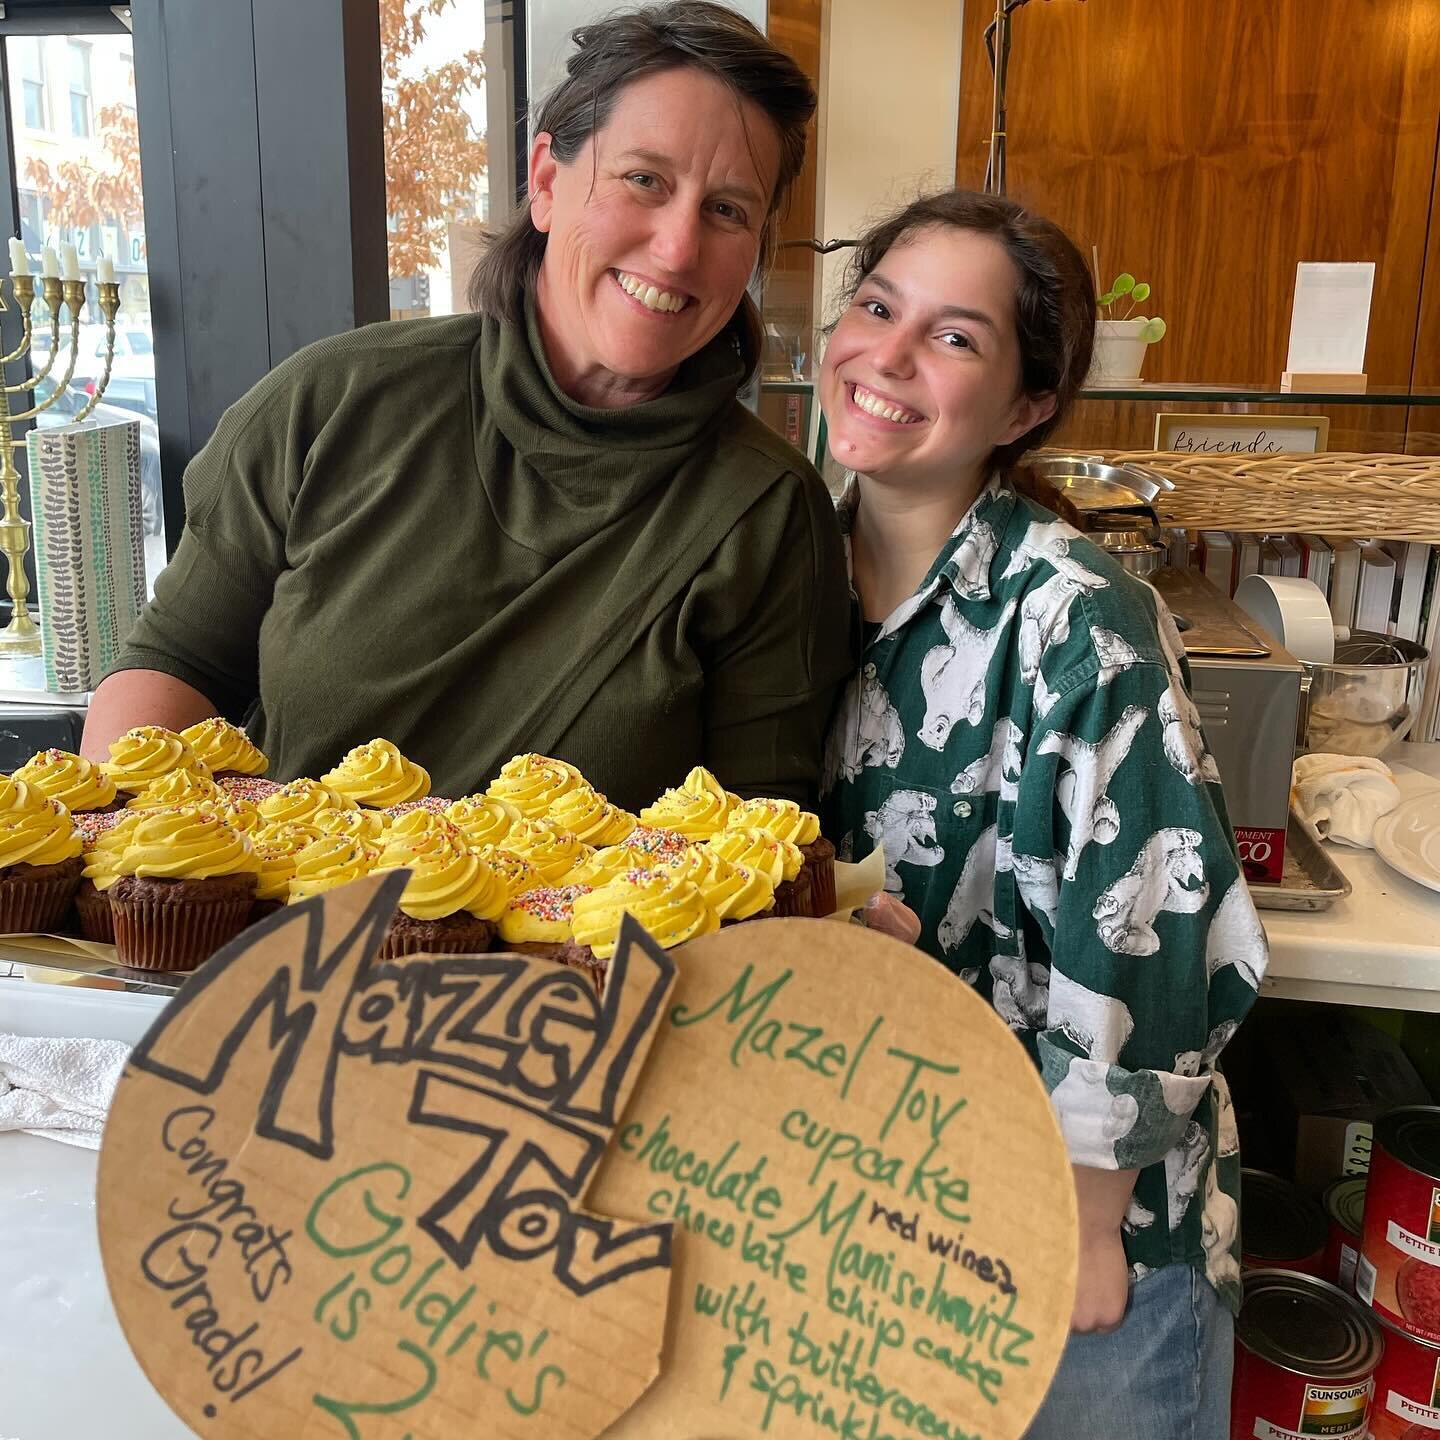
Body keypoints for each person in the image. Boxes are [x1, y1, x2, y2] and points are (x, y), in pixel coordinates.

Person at [81, 3, 853, 810]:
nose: (678, 247)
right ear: (548, 182)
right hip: (287, 930)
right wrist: (144, 869)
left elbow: (757, 833)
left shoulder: (768, 514)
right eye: (644, 180)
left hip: (589, 942)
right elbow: (176, 666)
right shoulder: (333, 403)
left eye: (727, 210)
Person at [819, 190, 1267, 1440]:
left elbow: (1161, 932)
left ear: (1025, 408)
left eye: (956, 338)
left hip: (1083, 1214)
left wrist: (1082, 1221)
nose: (890, 358)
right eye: (877, 307)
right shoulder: (783, 573)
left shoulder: (1079, 620)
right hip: (884, 1183)